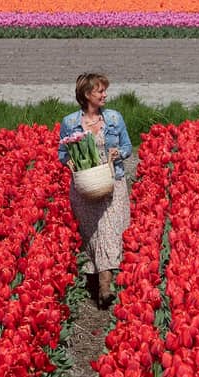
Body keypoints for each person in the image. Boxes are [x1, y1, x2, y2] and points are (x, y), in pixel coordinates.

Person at [58, 73, 132, 309]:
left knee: (110, 231)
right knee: (93, 234)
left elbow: (128, 146)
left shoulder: (113, 118)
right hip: (86, 187)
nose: (105, 95)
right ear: (87, 95)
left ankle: (104, 287)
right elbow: (62, 153)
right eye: (100, 91)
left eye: (104, 91)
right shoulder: (70, 123)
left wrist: (117, 153)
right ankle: (97, 280)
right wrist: (68, 162)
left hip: (112, 183)